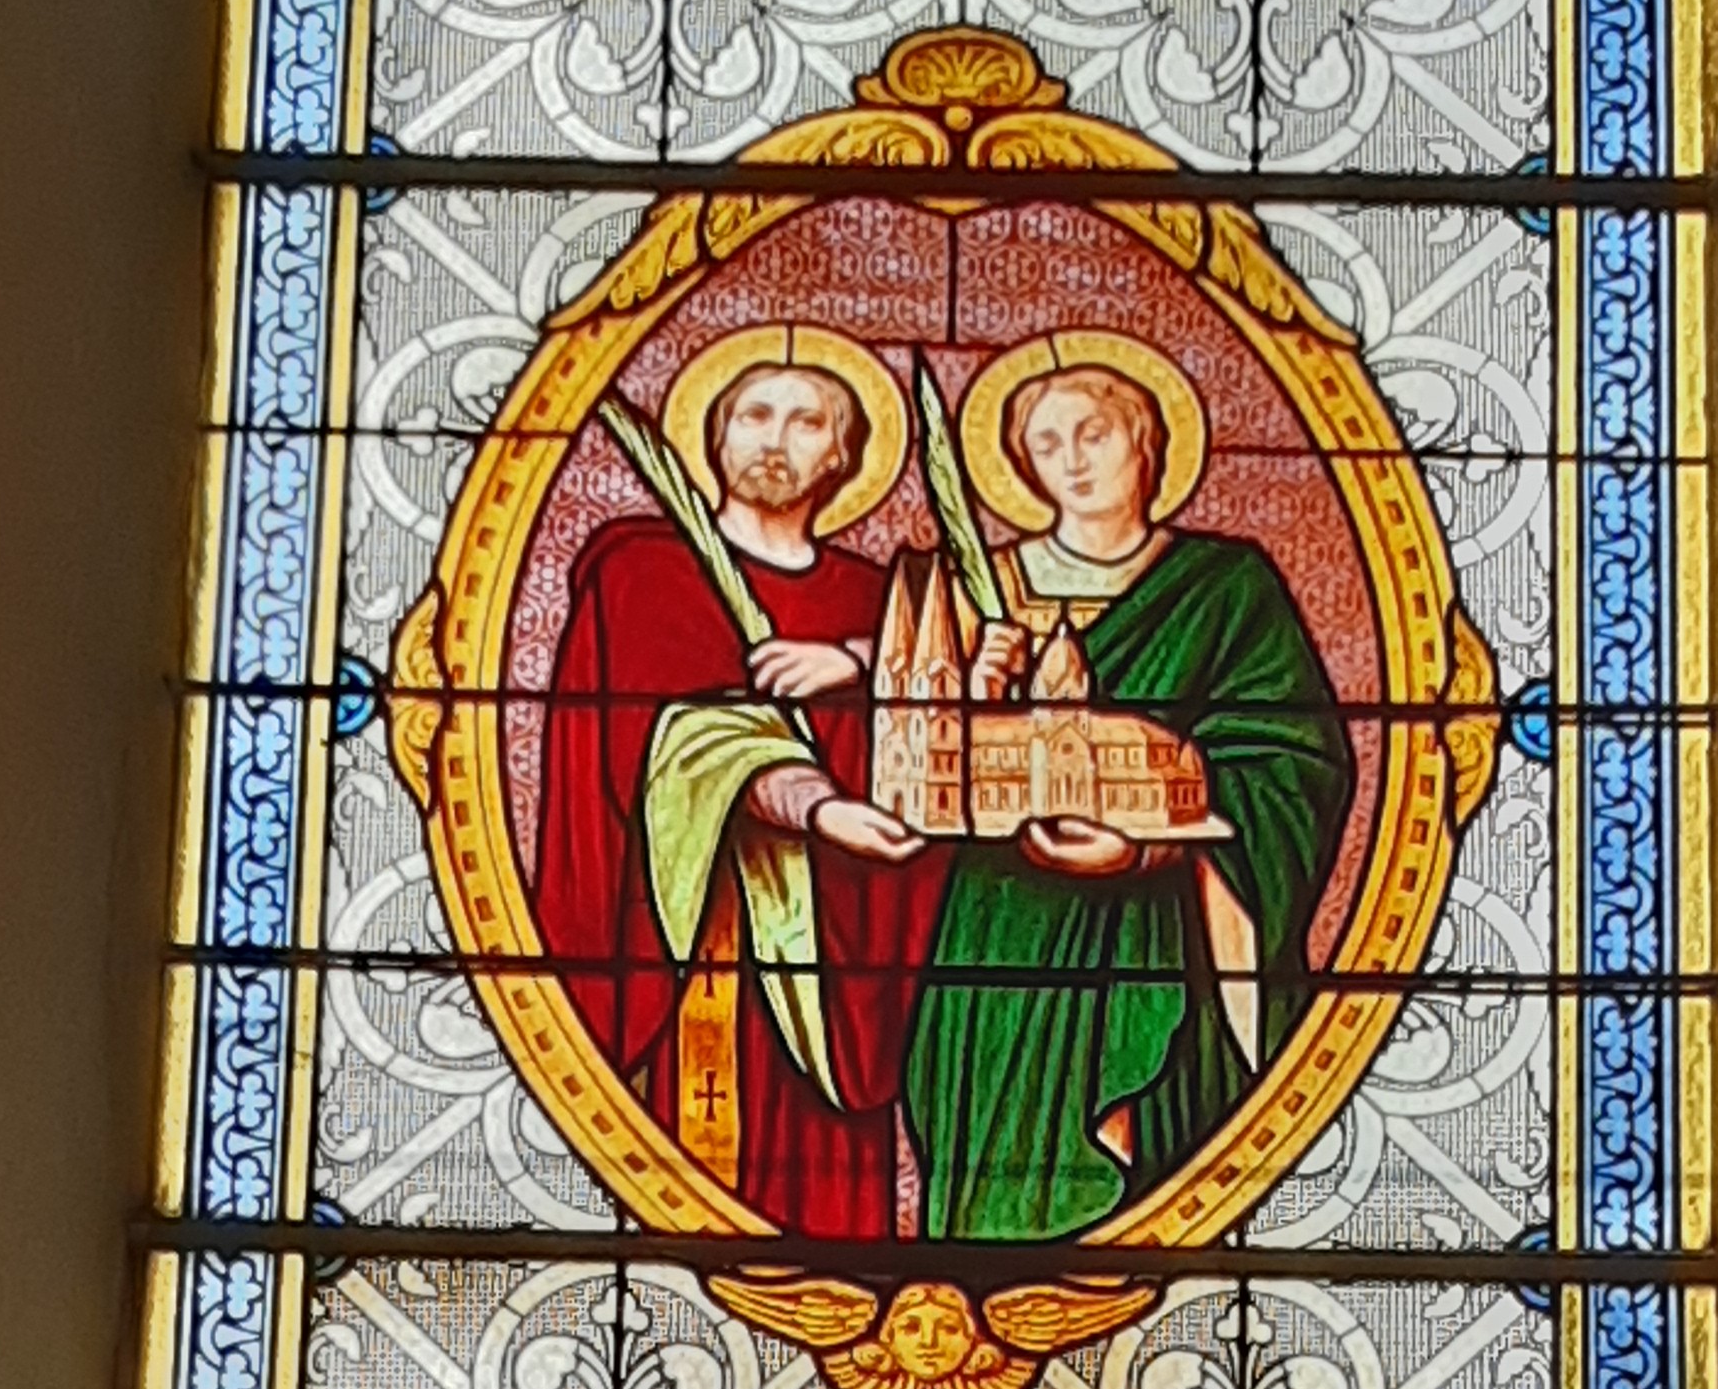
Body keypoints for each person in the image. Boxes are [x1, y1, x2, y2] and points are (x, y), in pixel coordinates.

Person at [901, 354, 1353, 1242]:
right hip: (997, 928)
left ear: (1147, 444)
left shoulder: (1225, 588)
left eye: (1094, 433)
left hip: (1162, 927)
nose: (1071, 461)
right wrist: (977, 692)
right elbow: (922, 755)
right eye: (1045, 444)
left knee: (1145, 1166)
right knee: (990, 1161)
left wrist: (1153, 842)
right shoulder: (981, 587)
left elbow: (1292, 762)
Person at [531, 350, 938, 1237]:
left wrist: (861, 661)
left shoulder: (879, 602)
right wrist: (815, 806)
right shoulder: (647, 571)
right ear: (715, 439)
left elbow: (936, 726)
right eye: (754, 415)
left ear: (843, 456)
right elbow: (670, 742)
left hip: (842, 959)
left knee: (837, 1213)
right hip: (706, 942)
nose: (775, 441)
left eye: (806, 421)